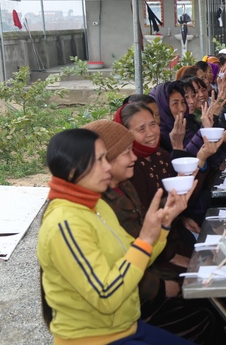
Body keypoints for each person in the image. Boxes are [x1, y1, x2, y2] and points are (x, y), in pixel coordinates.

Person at [38, 128, 196, 345]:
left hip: (126, 327)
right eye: (100, 160)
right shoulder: (64, 223)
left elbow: (136, 258)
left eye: (107, 158)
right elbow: (106, 295)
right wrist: (145, 240)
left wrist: (163, 224)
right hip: (94, 339)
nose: (107, 167)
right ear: (73, 169)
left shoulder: (98, 206)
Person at [83, 120, 226, 345]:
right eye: (126, 152)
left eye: (155, 122)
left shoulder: (124, 186)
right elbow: (122, 262)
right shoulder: (91, 208)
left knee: (206, 296)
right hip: (120, 312)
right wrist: (160, 287)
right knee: (201, 314)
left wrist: (167, 218)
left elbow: (144, 241)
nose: (134, 157)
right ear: (104, 160)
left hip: (144, 274)